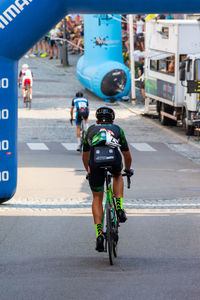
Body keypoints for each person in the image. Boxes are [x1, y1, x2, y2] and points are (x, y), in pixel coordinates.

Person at [82, 107, 133, 252]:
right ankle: (119, 206)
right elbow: (127, 156)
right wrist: (128, 170)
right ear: (113, 120)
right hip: (114, 161)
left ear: (96, 120)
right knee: (117, 175)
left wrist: (89, 171)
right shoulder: (118, 129)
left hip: (95, 164)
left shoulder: (90, 130)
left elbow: (85, 156)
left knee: (97, 198)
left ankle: (99, 234)